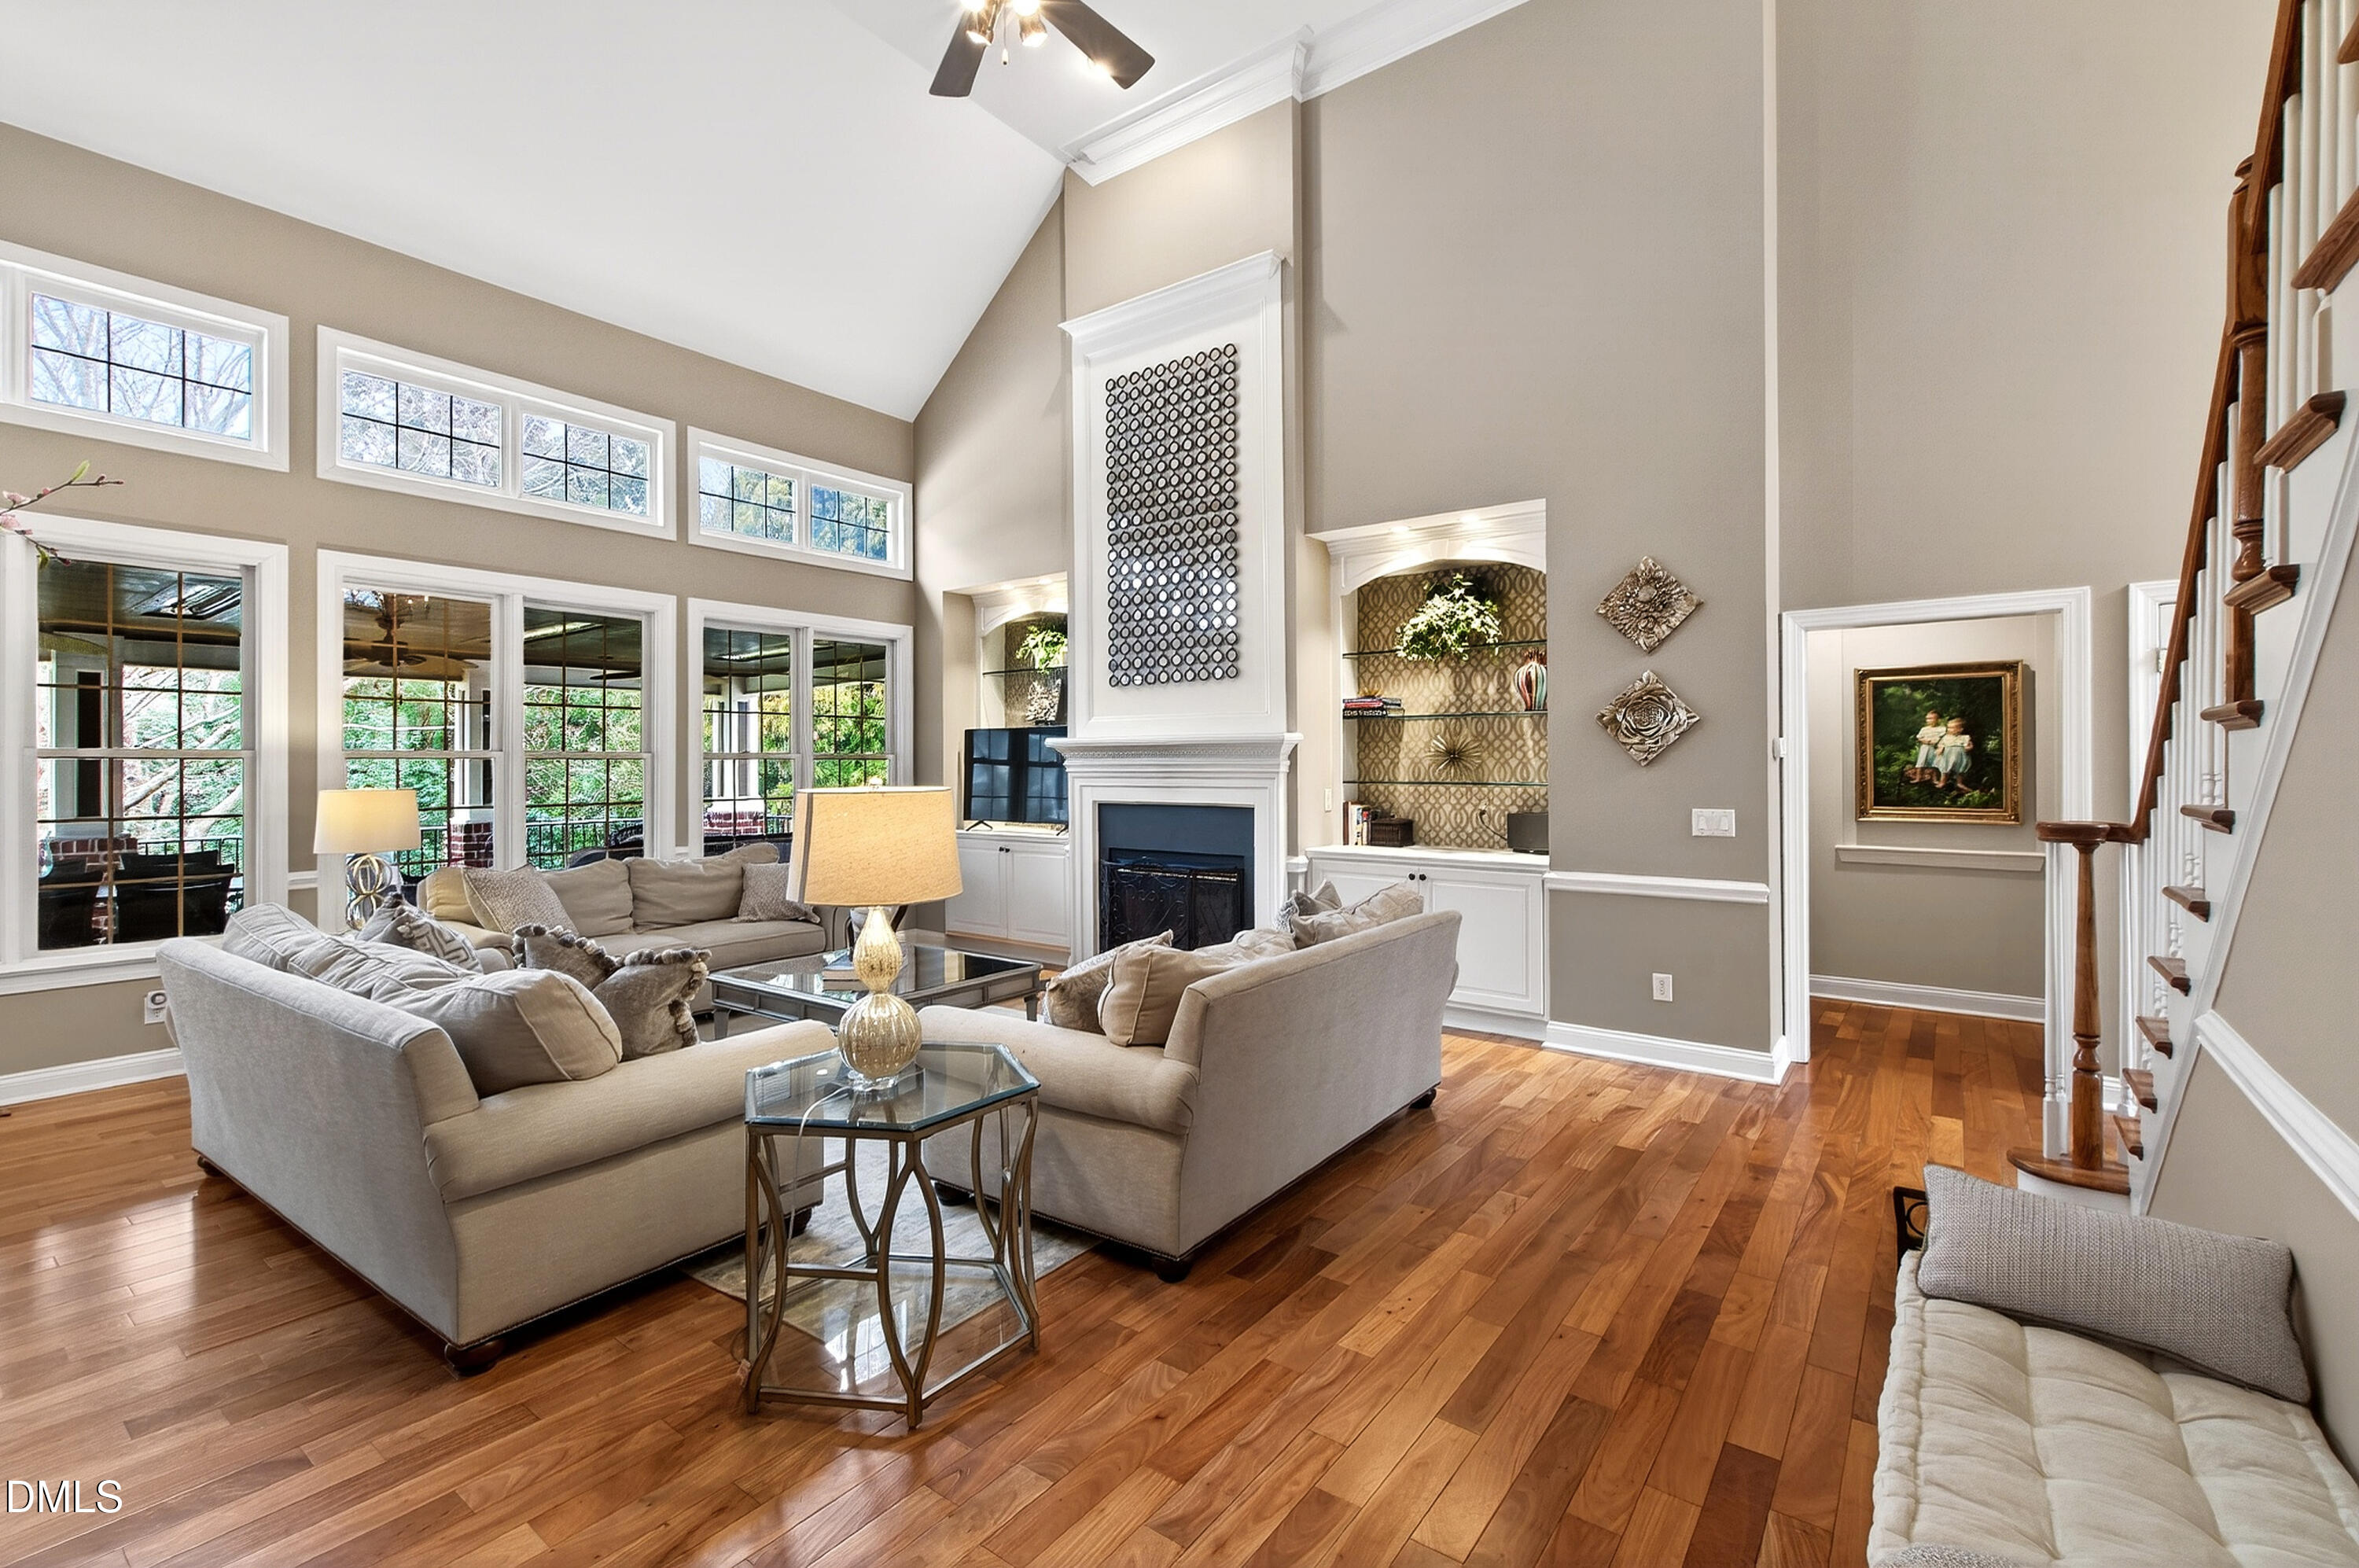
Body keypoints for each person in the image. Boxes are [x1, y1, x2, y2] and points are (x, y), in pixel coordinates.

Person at [1933, 716, 1975, 790]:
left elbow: (1970, 745)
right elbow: (1941, 744)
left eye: (1952, 728)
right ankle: (1943, 782)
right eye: (1948, 727)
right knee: (1945, 769)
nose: (1949, 729)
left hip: (1960, 756)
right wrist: (1940, 749)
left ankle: (1959, 783)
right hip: (1948, 756)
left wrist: (1969, 748)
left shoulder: (1965, 737)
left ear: (1960, 729)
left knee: (1961, 770)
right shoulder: (1946, 737)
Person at [1908, 710, 1945, 783]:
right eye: (1927, 719)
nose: (1929, 721)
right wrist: (1925, 741)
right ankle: (1918, 778)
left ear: (1938, 719)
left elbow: (1942, 738)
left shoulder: (1941, 729)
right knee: (1921, 762)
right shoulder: (1924, 729)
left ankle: (1935, 779)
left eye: (1931, 719)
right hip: (1925, 747)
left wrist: (1937, 742)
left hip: (1935, 747)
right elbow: (1919, 738)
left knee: (1934, 763)